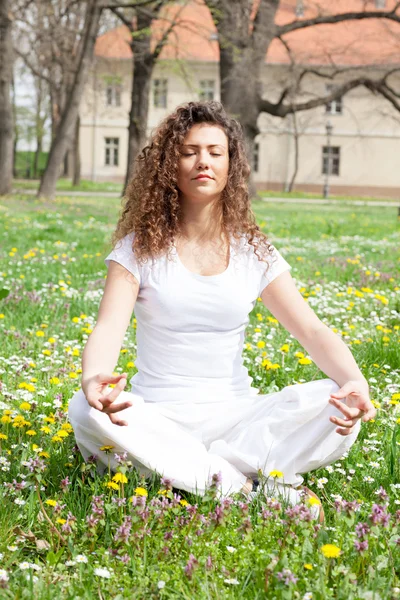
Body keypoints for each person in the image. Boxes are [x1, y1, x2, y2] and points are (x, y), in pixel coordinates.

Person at [68, 101, 376, 520]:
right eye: (189, 151)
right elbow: (108, 328)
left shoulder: (255, 252)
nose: (203, 162)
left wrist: (355, 381)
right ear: (169, 164)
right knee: (84, 410)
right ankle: (246, 487)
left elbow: (312, 329)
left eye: (216, 152)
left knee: (335, 400)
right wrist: (93, 379)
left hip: (238, 418)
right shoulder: (137, 249)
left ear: (232, 165)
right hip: (160, 414)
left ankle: (194, 474)